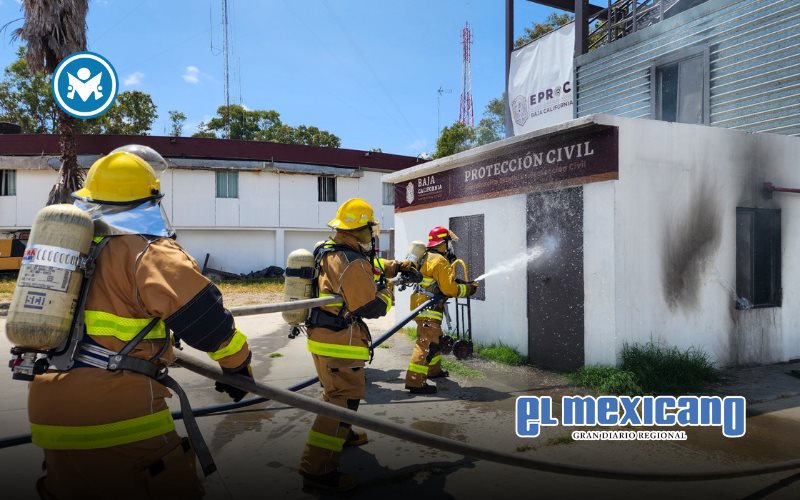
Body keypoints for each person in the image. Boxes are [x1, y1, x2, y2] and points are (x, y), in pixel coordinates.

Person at [28, 145, 254, 500]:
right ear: (148, 200)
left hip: (48, 412)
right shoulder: (148, 251)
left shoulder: (74, 246)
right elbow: (209, 324)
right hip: (116, 417)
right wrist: (239, 367)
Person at [299, 197, 416, 493]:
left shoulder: (331, 249)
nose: (370, 235)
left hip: (321, 336)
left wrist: (395, 266)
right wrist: (389, 290)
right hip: (341, 341)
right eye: (368, 230)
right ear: (360, 230)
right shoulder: (351, 262)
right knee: (341, 399)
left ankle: (344, 433)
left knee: (335, 392)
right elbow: (372, 306)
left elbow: (368, 265)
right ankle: (318, 471)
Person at [405, 226, 478, 395]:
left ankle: (433, 371)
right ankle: (415, 382)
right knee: (426, 343)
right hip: (429, 307)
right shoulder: (440, 261)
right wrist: (469, 289)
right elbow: (450, 290)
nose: (449, 246)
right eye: (448, 243)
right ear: (443, 243)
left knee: (433, 339)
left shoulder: (426, 257)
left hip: (421, 304)